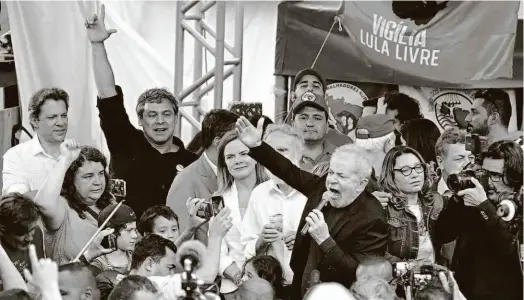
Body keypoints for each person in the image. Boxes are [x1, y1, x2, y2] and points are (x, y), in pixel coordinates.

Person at [235, 116, 388, 298]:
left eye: (342, 176)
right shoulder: (321, 187)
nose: (332, 180)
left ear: (361, 184)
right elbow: (288, 171)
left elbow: (361, 275)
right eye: (331, 172)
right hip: (300, 286)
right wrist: (257, 146)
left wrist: (325, 241)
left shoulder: (373, 217)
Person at [86, 5, 197, 217]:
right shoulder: (125, 143)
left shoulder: (192, 162)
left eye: (166, 114)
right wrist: (97, 44)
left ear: (176, 118)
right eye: (152, 115)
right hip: (127, 243)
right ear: (140, 120)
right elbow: (108, 94)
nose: (160, 121)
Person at [435, 140, 523, 300]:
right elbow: (442, 234)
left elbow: (511, 248)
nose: (488, 182)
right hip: (465, 292)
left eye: (496, 175)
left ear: (513, 177)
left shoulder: (519, 203)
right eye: (486, 173)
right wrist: (457, 197)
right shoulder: (475, 201)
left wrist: (484, 206)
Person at [242, 124, 307, 287]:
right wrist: (261, 241)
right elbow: (246, 245)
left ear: (299, 155)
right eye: (270, 152)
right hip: (271, 286)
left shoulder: (314, 192)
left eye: (282, 151)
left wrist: (304, 242)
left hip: (307, 285)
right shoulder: (259, 193)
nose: (274, 159)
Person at [33, 140, 114, 265]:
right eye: (88, 176)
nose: (98, 182)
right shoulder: (62, 206)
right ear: (71, 180)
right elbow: (42, 205)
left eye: (101, 173)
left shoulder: (110, 201)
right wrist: (65, 159)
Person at [166, 109, 239, 244]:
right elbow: (180, 241)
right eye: (236, 137)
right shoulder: (186, 180)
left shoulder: (238, 172)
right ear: (218, 142)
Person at [214, 130, 268, 297]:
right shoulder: (218, 201)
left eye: (243, 154)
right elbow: (218, 252)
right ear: (224, 164)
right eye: (230, 157)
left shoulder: (273, 192)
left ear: (256, 158)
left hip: (271, 285)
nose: (237, 161)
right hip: (234, 290)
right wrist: (242, 280)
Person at [379, 146, 442, 264]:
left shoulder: (435, 201)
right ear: (391, 175)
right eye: (405, 170)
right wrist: (411, 268)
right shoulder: (384, 208)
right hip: (399, 280)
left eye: (418, 167)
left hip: (434, 278)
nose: (415, 175)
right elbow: (379, 255)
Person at [2, 88, 69, 195]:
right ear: (35, 121)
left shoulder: (78, 153)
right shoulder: (16, 156)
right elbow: (16, 201)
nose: (61, 122)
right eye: (52, 117)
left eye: (64, 115)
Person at [433, 128, 472, 267]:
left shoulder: (481, 196)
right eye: (460, 158)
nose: (468, 164)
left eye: (471, 158)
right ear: (440, 162)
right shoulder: (424, 195)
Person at [290, 68, 351, 147]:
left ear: (324, 97)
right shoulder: (279, 138)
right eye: (304, 85)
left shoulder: (343, 142)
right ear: (292, 96)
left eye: (316, 86)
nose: (309, 89)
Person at [0, 194, 44, 275]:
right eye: (21, 234)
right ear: (2, 231)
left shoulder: (37, 234)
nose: (30, 238)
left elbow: (39, 272)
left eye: (32, 229)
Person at [91, 204, 138, 274]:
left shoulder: (138, 259)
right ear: (110, 232)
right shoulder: (98, 265)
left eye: (135, 230)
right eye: (129, 230)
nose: (135, 236)